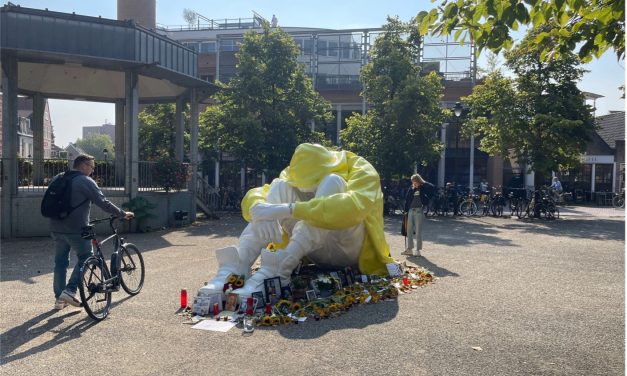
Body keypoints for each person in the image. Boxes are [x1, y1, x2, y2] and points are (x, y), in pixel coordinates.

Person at [198, 143, 395, 299]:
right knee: (279, 187)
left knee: (333, 183)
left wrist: (285, 209)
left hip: (348, 250)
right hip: (313, 248)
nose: (307, 192)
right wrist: (263, 211)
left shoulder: (361, 168)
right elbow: (255, 197)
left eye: (312, 186)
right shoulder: (296, 170)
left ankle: (283, 264)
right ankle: (239, 265)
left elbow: (353, 208)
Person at [50, 154, 134, 310]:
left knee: (60, 262)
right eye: (92, 166)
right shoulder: (85, 181)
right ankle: (70, 291)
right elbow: (103, 202)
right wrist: (122, 214)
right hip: (77, 229)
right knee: (86, 257)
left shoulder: (58, 177)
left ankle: (59, 299)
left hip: (56, 227)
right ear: (83, 166)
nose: (93, 170)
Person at [402, 174, 434, 257]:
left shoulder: (423, 188)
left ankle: (418, 250)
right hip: (410, 211)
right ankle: (409, 249)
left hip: (419, 211)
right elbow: (407, 199)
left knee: (418, 231)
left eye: (415, 181)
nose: (413, 182)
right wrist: (405, 211)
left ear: (418, 180)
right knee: (408, 231)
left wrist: (422, 183)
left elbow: (432, 187)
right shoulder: (411, 188)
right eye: (412, 181)